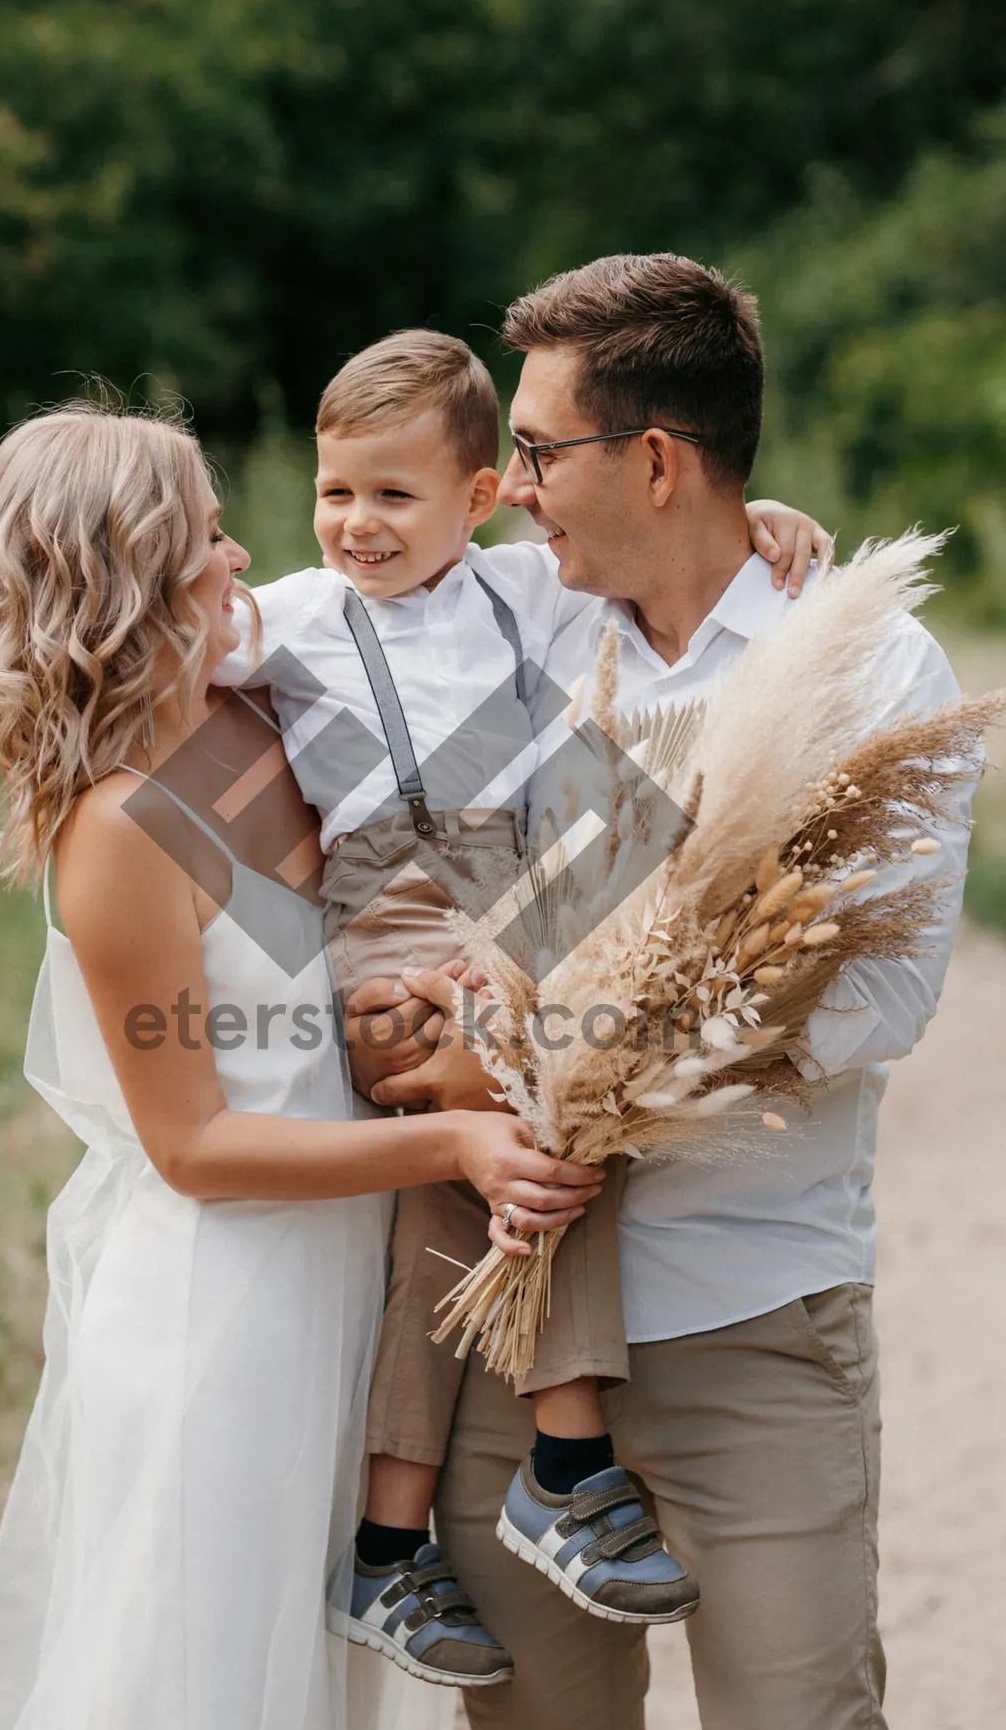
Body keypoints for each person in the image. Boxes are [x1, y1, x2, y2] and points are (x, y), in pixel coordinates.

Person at [348, 255, 973, 1730]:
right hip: (518, 1327)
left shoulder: (871, 671)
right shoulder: (526, 629)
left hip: (754, 1317)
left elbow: (871, 1007)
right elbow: (399, 904)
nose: (511, 484)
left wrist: (561, 1058)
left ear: (655, 458)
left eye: (542, 449)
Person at [0, 402, 605, 1730]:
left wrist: (745, 546)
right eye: (211, 538)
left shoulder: (250, 722)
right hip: (219, 1318)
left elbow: (476, 646)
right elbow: (195, 1144)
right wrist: (451, 1145)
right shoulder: (118, 826)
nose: (243, 561)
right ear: (135, 574)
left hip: (345, 1287)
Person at [214, 330, 832, 1687]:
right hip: (387, 921)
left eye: (392, 495)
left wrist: (763, 520)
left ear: (481, 495)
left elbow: (677, 568)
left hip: (532, 905)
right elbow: (161, 647)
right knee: (529, 1102)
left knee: (493, 1164)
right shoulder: (298, 615)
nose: (356, 524)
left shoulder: (528, 597)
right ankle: (563, 1459)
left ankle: (389, 1541)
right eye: (335, 494)